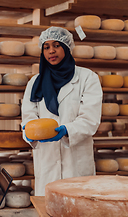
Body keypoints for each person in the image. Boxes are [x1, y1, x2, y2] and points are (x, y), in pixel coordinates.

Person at [21, 27, 103, 196]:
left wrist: (68, 131)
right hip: (47, 159)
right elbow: (28, 117)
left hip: (76, 161)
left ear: (66, 47)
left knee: (78, 212)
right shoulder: (35, 82)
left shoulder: (87, 78)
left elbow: (90, 119)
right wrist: (28, 133)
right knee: (48, 212)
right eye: (46, 47)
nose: (51, 51)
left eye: (56, 45)